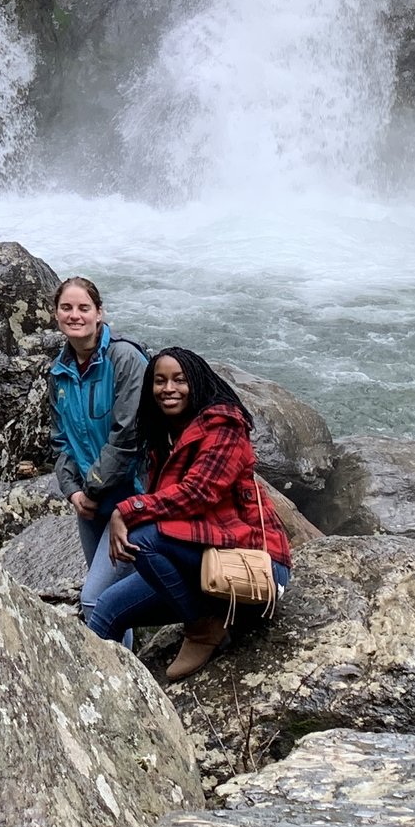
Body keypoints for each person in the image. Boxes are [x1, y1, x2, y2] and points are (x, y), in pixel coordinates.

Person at [84, 348, 292, 683]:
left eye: (180, 380)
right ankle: (97, 692)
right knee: (107, 608)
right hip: (197, 562)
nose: (169, 388)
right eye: (160, 381)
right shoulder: (164, 437)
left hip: (251, 564)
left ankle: (202, 626)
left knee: (141, 539)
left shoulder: (224, 426)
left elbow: (199, 493)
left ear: (197, 382)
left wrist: (128, 510)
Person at [46, 276, 147, 617]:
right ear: (56, 314)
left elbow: (128, 435)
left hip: (132, 499)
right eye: (67, 308)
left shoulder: (124, 358)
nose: (75, 315)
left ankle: (117, 669)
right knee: (110, 597)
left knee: (95, 599)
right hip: (90, 505)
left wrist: (91, 487)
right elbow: (61, 441)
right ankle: (127, 666)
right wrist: (73, 490)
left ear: (99, 313)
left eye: (83, 308)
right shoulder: (59, 372)